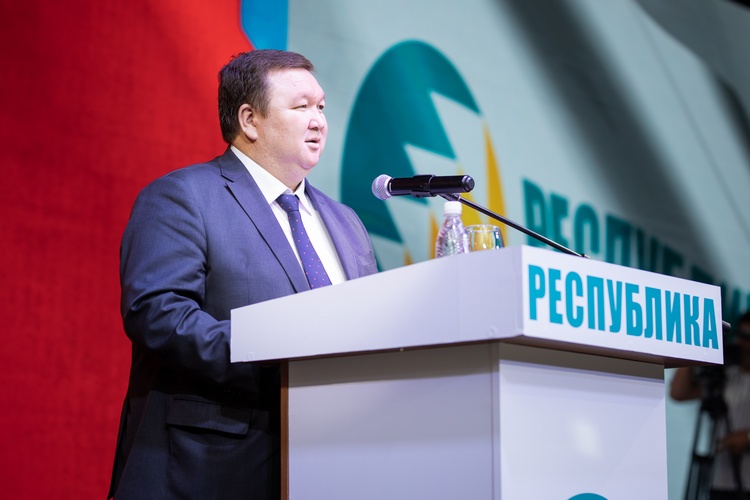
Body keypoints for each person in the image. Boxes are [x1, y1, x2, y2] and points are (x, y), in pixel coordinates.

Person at [108, 49, 378, 500]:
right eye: (301, 107)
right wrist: (283, 358)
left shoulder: (346, 222)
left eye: (321, 107)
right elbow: (157, 314)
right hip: (208, 467)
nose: (318, 121)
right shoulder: (183, 196)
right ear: (250, 120)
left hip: (329, 463)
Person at [671, 311, 750, 500]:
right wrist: (693, 351)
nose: (743, 343)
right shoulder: (725, 376)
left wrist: (747, 438)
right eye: (741, 336)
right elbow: (679, 393)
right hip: (720, 481)